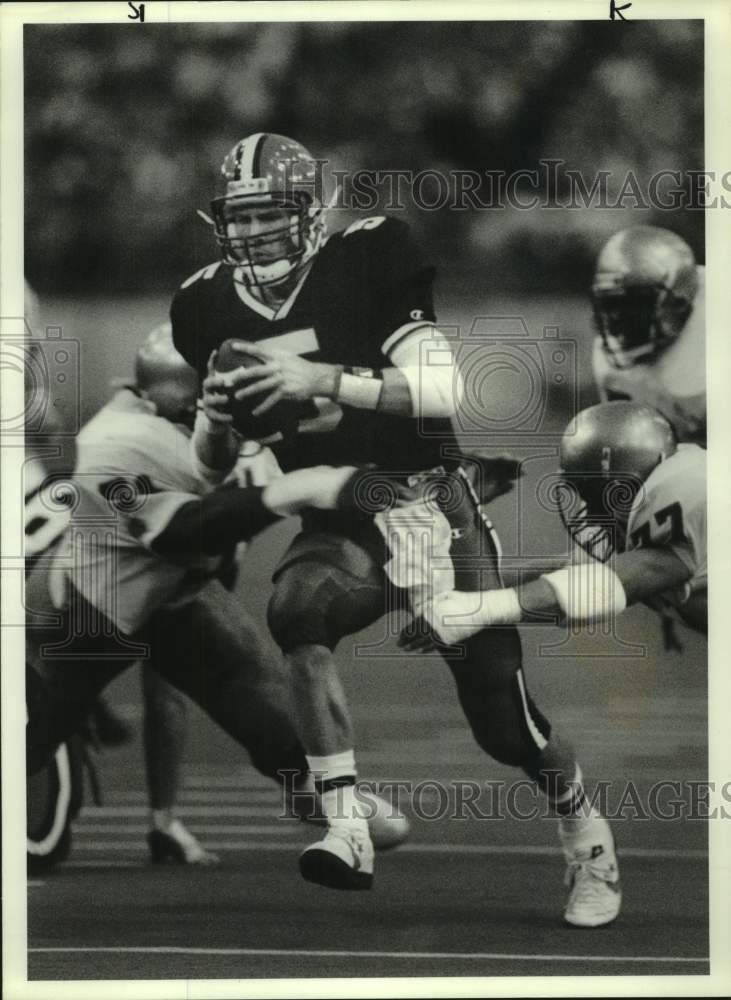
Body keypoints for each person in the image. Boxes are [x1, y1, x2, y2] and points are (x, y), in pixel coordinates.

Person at [171, 132, 620, 927]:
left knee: (503, 721)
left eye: (268, 215)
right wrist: (210, 421)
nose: (249, 234)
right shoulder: (202, 302)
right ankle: (347, 826)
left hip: (429, 506)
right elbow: (210, 462)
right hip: (338, 512)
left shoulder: (372, 255)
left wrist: (324, 380)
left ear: (310, 213)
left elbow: (441, 388)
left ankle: (585, 831)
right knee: (296, 614)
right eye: (237, 219)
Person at [25, 324, 408, 867]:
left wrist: (164, 818)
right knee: (32, 808)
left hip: (175, 595)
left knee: (296, 749)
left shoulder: (211, 427)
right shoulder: (114, 447)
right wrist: (305, 486)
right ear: (184, 402)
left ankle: (310, 790)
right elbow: (181, 529)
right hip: (85, 615)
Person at [411, 402, 706, 642]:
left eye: (597, 495)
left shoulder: (685, 488)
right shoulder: (653, 513)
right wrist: (438, 583)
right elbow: (568, 572)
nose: (589, 512)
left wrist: (479, 612)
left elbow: (612, 580)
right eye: (585, 495)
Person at [591, 226, 705, 446]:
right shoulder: (608, 359)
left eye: (634, 305)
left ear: (679, 304)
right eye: (612, 304)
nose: (618, 320)